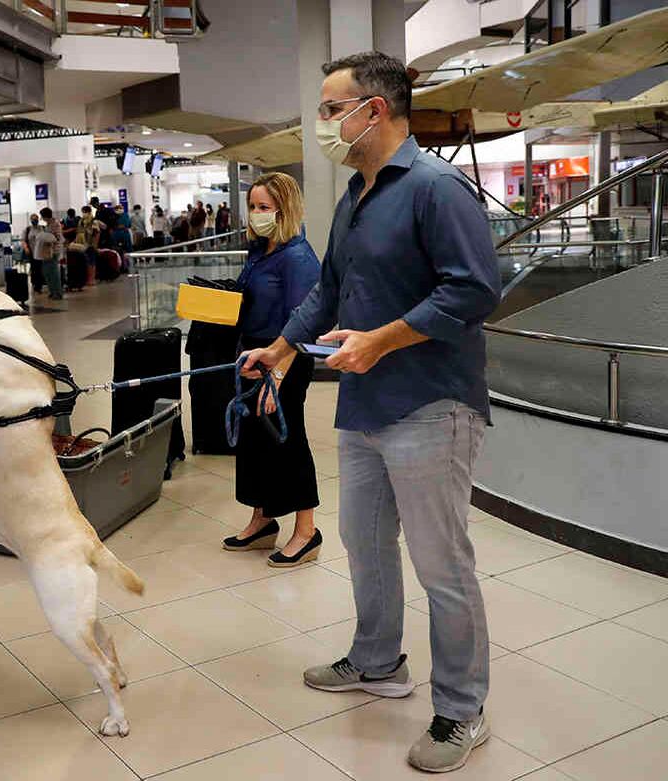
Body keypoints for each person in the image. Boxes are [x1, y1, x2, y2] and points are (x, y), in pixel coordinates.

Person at [241, 51, 500, 774]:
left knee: (440, 562)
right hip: (362, 408)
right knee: (363, 539)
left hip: (429, 403)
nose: (323, 122)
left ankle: (462, 706)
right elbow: (328, 293)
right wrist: (281, 349)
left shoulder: (436, 189)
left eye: (330, 109)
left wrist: (382, 340)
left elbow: (475, 290)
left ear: (372, 110)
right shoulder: (355, 196)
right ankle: (378, 658)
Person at [221, 173, 321, 567]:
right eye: (253, 207)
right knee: (254, 443)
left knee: (287, 441)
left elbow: (303, 321)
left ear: (284, 209)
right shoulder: (259, 251)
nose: (257, 214)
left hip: (285, 363)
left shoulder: (298, 257)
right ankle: (262, 521)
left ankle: (307, 531)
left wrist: (277, 377)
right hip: (253, 359)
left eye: (264, 207)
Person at [39, 207, 64, 300]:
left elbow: (57, 237)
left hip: (53, 251)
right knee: (47, 272)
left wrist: (47, 238)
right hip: (46, 251)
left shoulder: (55, 224)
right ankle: (52, 291)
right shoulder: (48, 225)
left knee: (54, 273)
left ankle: (57, 292)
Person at [21, 214, 45, 293]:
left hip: (41, 252)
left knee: (40, 268)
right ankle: (35, 284)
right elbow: (23, 240)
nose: (35, 221)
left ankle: (39, 285)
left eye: (36, 219)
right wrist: (26, 248)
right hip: (31, 252)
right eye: (33, 219)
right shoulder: (27, 229)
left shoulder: (42, 228)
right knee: (34, 269)